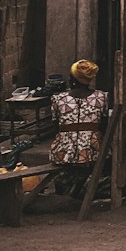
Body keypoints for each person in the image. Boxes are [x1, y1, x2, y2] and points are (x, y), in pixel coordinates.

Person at [50, 60, 109, 195]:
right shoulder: (102, 97)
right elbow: (103, 125)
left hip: (64, 151)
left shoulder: (58, 99)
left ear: (73, 78)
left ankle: (70, 192)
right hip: (93, 149)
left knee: (65, 174)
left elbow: (55, 127)